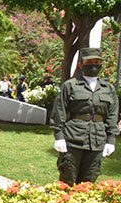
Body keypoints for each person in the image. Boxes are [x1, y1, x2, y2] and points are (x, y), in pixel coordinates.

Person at [50, 48, 118, 185]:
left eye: (97, 61)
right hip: (73, 139)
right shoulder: (71, 85)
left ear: (101, 65)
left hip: (97, 141)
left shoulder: (108, 88)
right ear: (81, 64)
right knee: (67, 180)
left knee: (88, 183)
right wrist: (59, 137)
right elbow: (59, 111)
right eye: (89, 61)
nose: (93, 64)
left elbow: (112, 115)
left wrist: (111, 140)